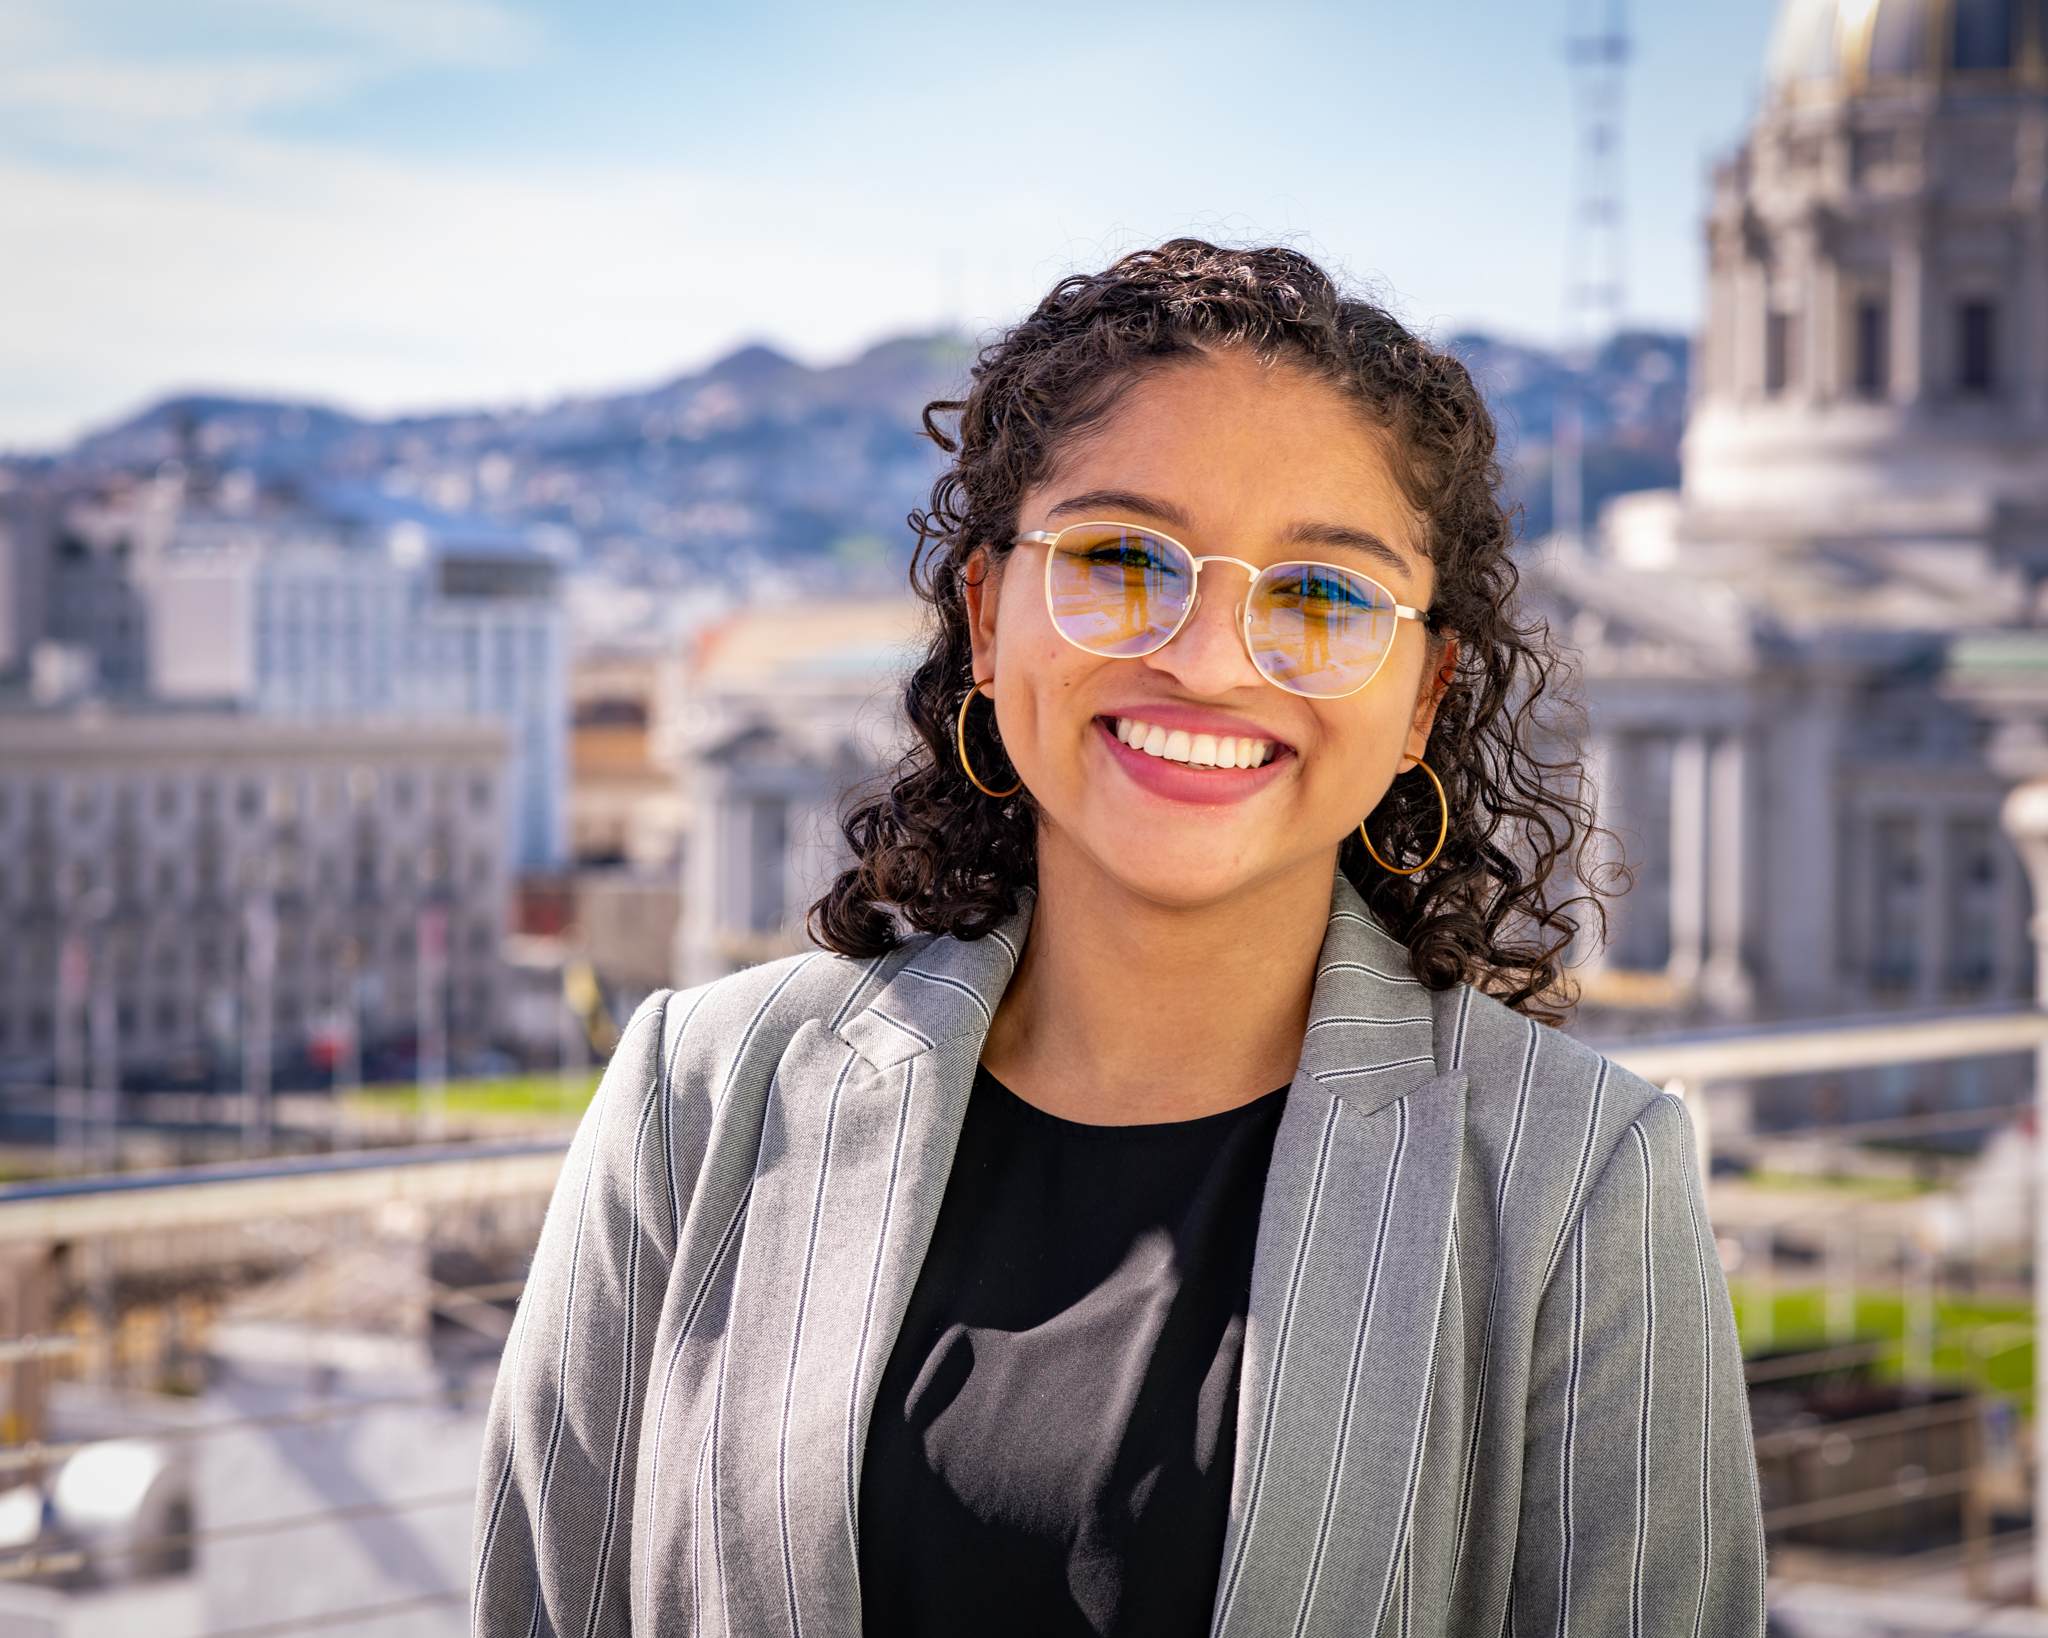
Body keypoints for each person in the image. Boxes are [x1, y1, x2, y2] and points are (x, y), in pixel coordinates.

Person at [472, 241, 1764, 1638]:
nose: (1209, 658)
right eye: (1117, 560)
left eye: (1323, 595)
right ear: (984, 613)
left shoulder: (1577, 1181)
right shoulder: (698, 1098)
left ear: (1420, 696)